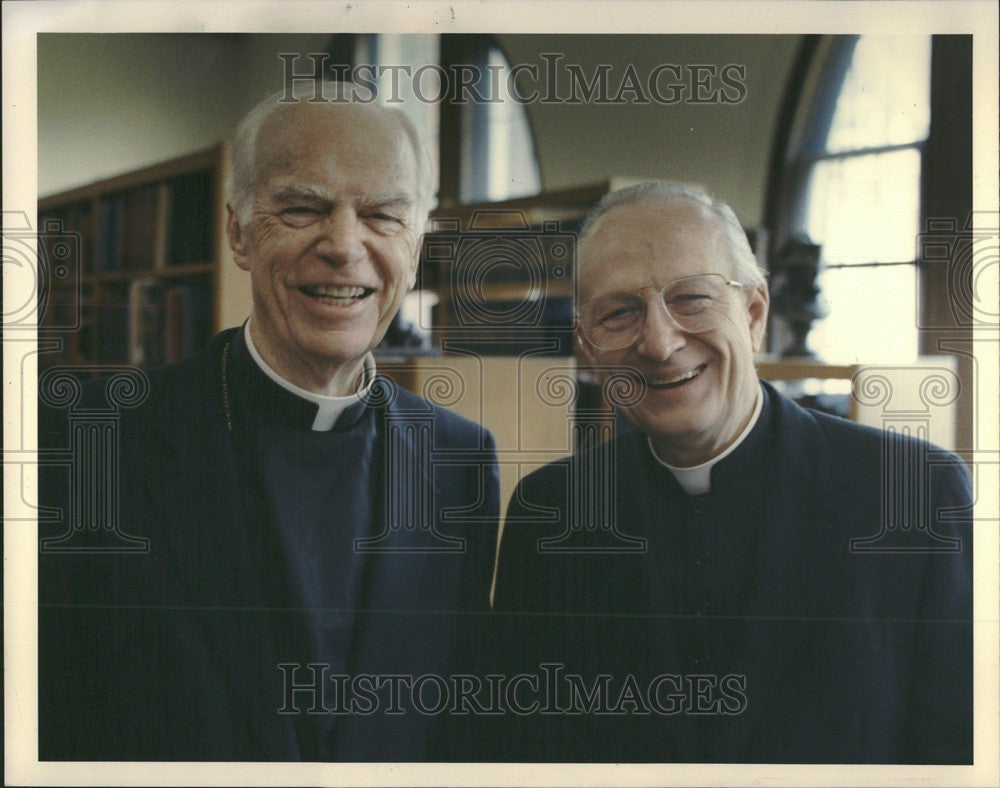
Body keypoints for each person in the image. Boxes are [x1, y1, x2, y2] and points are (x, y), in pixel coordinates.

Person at [38, 85, 500, 761]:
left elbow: (459, 728)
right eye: (302, 208)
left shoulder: (461, 461)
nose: (344, 245)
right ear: (238, 231)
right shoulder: (90, 442)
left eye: (382, 216)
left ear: (417, 241)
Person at [492, 181, 972, 763]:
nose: (660, 342)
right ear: (590, 349)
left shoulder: (913, 495)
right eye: (619, 314)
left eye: (691, 299)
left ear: (753, 313)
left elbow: (956, 752)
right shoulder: (550, 512)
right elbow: (521, 754)